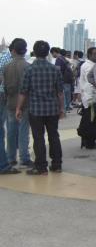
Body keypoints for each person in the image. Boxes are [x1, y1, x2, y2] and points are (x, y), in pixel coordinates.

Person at [17, 40, 64, 175]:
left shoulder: (29, 69)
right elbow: (60, 92)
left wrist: (19, 108)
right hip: (52, 109)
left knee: (38, 138)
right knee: (54, 136)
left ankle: (41, 167)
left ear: (35, 52)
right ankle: (57, 165)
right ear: (48, 52)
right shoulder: (55, 69)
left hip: (36, 110)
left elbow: (23, 92)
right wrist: (61, 108)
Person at [4, 38, 33, 167]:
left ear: (13, 50)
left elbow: (5, 87)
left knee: (11, 131)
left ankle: (10, 157)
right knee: (23, 131)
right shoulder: (28, 66)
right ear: (25, 51)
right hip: (25, 103)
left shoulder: (6, 67)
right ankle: (24, 158)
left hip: (10, 102)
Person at [0, 40, 21, 175]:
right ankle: (5, 163)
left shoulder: (4, 57)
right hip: (4, 95)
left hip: (4, 94)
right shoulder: (8, 59)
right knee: (6, 128)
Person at [77, 46, 96, 149]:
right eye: (95, 53)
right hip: (90, 98)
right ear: (89, 55)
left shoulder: (89, 65)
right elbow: (90, 83)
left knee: (89, 120)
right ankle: (89, 142)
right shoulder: (88, 66)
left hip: (88, 97)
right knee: (91, 121)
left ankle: (88, 141)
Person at [51, 47, 73, 112]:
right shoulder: (64, 58)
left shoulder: (58, 59)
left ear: (54, 52)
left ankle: (64, 108)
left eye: (52, 53)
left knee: (63, 94)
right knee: (67, 93)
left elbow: (58, 70)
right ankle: (67, 107)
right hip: (68, 79)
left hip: (63, 79)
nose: (52, 55)